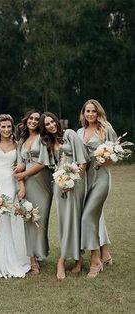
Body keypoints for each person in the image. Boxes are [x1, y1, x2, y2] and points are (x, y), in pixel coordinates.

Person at [39, 112, 89, 280]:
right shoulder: (48, 143)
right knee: (63, 222)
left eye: (52, 121)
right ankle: (76, 258)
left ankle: (66, 260)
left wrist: (73, 180)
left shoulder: (70, 134)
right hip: (59, 185)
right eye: (47, 124)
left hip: (75, 184)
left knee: (74, 219)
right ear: (44, 128)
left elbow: (83, 162)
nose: (51, 125)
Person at [0, 114, 30, 278]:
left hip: (9, 184)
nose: (6, 130)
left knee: (5, 221)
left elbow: (19, 168)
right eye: (3, 127)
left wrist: (21, 185)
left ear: (12, 127)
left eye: (9, 126)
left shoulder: (17, 144)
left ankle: (8, 260)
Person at [77, 99, 117, 278]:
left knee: (87, 217)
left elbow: (117, 152)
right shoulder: (79, 132)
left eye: (93, 111)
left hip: (101, 177)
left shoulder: (106, 129)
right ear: (83, 113)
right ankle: (106, 253)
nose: (91, 114)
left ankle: (95, 260)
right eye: (88, 111)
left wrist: (106, 159)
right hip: (84, 179)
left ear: (98, 113)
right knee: (96, 216)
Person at [14, 110, 53, 274]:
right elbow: (18, 165)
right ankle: (32, 259)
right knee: (28, 220)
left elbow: (43, 163)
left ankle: (39, 253)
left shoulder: (42, 139)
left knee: (41, 221)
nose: (34, 121)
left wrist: (24, 173)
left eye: (37, 119)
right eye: (31, 118)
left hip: (42, 182)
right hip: (27, 184)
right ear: (26, 120)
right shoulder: (22, 140)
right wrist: (21, 185)